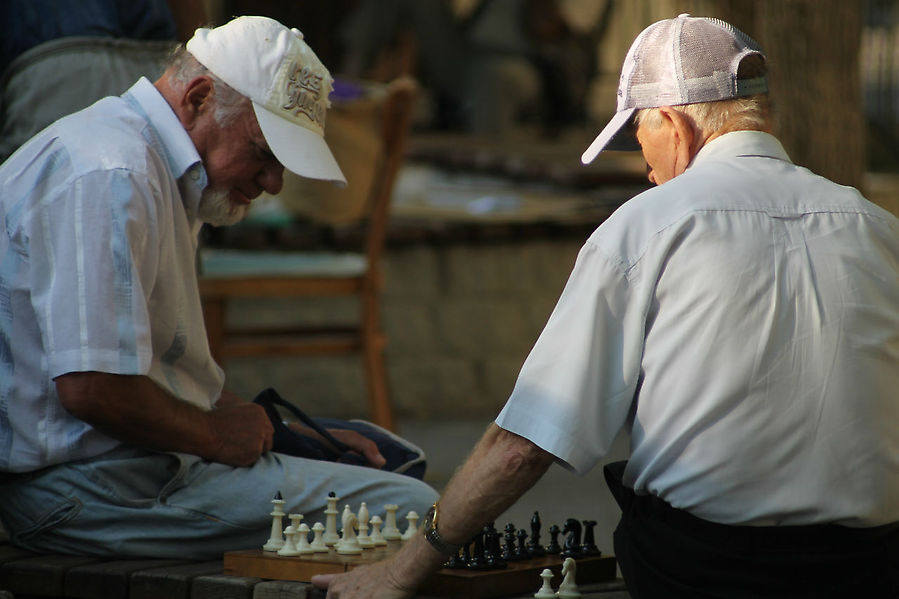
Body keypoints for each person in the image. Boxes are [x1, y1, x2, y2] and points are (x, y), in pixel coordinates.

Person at [313, 14, 899, 599]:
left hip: (705, 569)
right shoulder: (880, 229)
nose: (646, 170)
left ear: (673, 123)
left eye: (640, 138)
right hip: (871, 567)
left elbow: (522, 447)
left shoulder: (647, 227)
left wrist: (400, 572)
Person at [0, 15, 436, 560]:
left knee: (390, 457)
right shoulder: (113, 174)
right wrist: (215, 434)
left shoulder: (160, 168)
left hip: (128, 467)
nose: (274, 183)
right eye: (264, 152)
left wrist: (259, 427)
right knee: (420, 511)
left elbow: (145, 371)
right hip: (81, 490)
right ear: (200, 97)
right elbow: (94, 387)